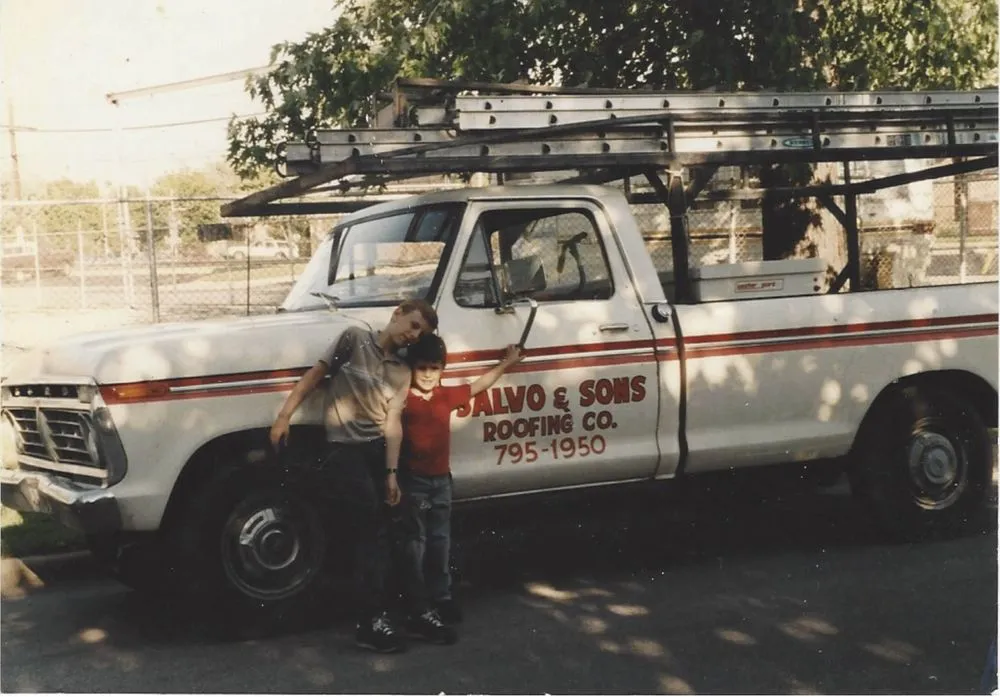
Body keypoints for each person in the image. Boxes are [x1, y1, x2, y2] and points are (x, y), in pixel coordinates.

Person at [269, 298, 437, 654]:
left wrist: (392, 474)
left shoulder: (401, 371)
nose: (412, 335)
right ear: (398, 314)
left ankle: (419, 611)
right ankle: (371, 621)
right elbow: (315, 376)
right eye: (413, 325)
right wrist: (284, 416)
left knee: (407, 524)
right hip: (343, 449)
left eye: (419, 333)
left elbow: (392, 424)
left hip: (379, 450)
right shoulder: (353, 339)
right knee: (371, 523)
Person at [394, 334, 522, 644]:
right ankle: (419, 601)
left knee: (440, 541)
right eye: (421, 367)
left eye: (434, 368)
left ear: (442, 370)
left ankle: (442, 595)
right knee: (417, 543)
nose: (427, 374)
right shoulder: (403, 400)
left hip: (441, 481)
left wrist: (506, 362)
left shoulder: (445, 397)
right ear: (411, 368)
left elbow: (479, 385)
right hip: (415, 482)